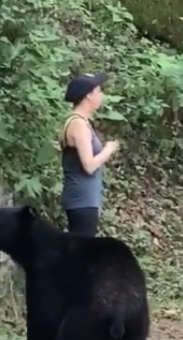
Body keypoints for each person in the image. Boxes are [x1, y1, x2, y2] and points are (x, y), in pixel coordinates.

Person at [60, 73, 119, 237]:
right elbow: (89, 165)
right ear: (88, 96)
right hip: (81, 200)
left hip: (85, 200)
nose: (101, 95)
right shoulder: (78, 124)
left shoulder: (81, 122)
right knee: (81, 254)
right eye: (98, 91)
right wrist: (108, 150)